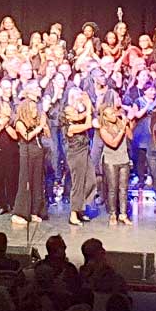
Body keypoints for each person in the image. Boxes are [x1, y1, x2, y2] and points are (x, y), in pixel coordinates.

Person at [11, 96, 47, 226]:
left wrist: (44, 124)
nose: (35, 110)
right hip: (27, 154)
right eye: (32, 108)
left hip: (38, 154)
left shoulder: (36, 122)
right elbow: (26, 137)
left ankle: (34, 210)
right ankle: (19, 213)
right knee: (25, 182)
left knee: (37, 182)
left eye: (35, 107)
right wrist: (39, 127)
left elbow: (47, 134)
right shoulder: (20, 122)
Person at [98, 105, 133, 225]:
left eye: (114, 113)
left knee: (123, 188)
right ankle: (113, 213)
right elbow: (113, 143)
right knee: (112, 189)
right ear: (106, 117)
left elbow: (131, 136)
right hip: (111, 160)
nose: (114, 115)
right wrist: (122, 130)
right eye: (111, 114)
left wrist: (126, 125)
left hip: (124, 158)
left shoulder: (120, 124)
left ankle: (123, 214)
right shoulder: (103, 129)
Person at [64, 88, 94, 226]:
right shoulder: (70, 127)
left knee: (90, 180)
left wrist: (86, 104)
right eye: (72, 112)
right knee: (78, 184)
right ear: (67, 117)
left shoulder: (76, 120)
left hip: (85, 152)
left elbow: (85, 115)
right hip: (76, 155)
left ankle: (81, 208)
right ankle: (74, 213)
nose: (75, 112)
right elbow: (88, 123)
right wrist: (87, 106)